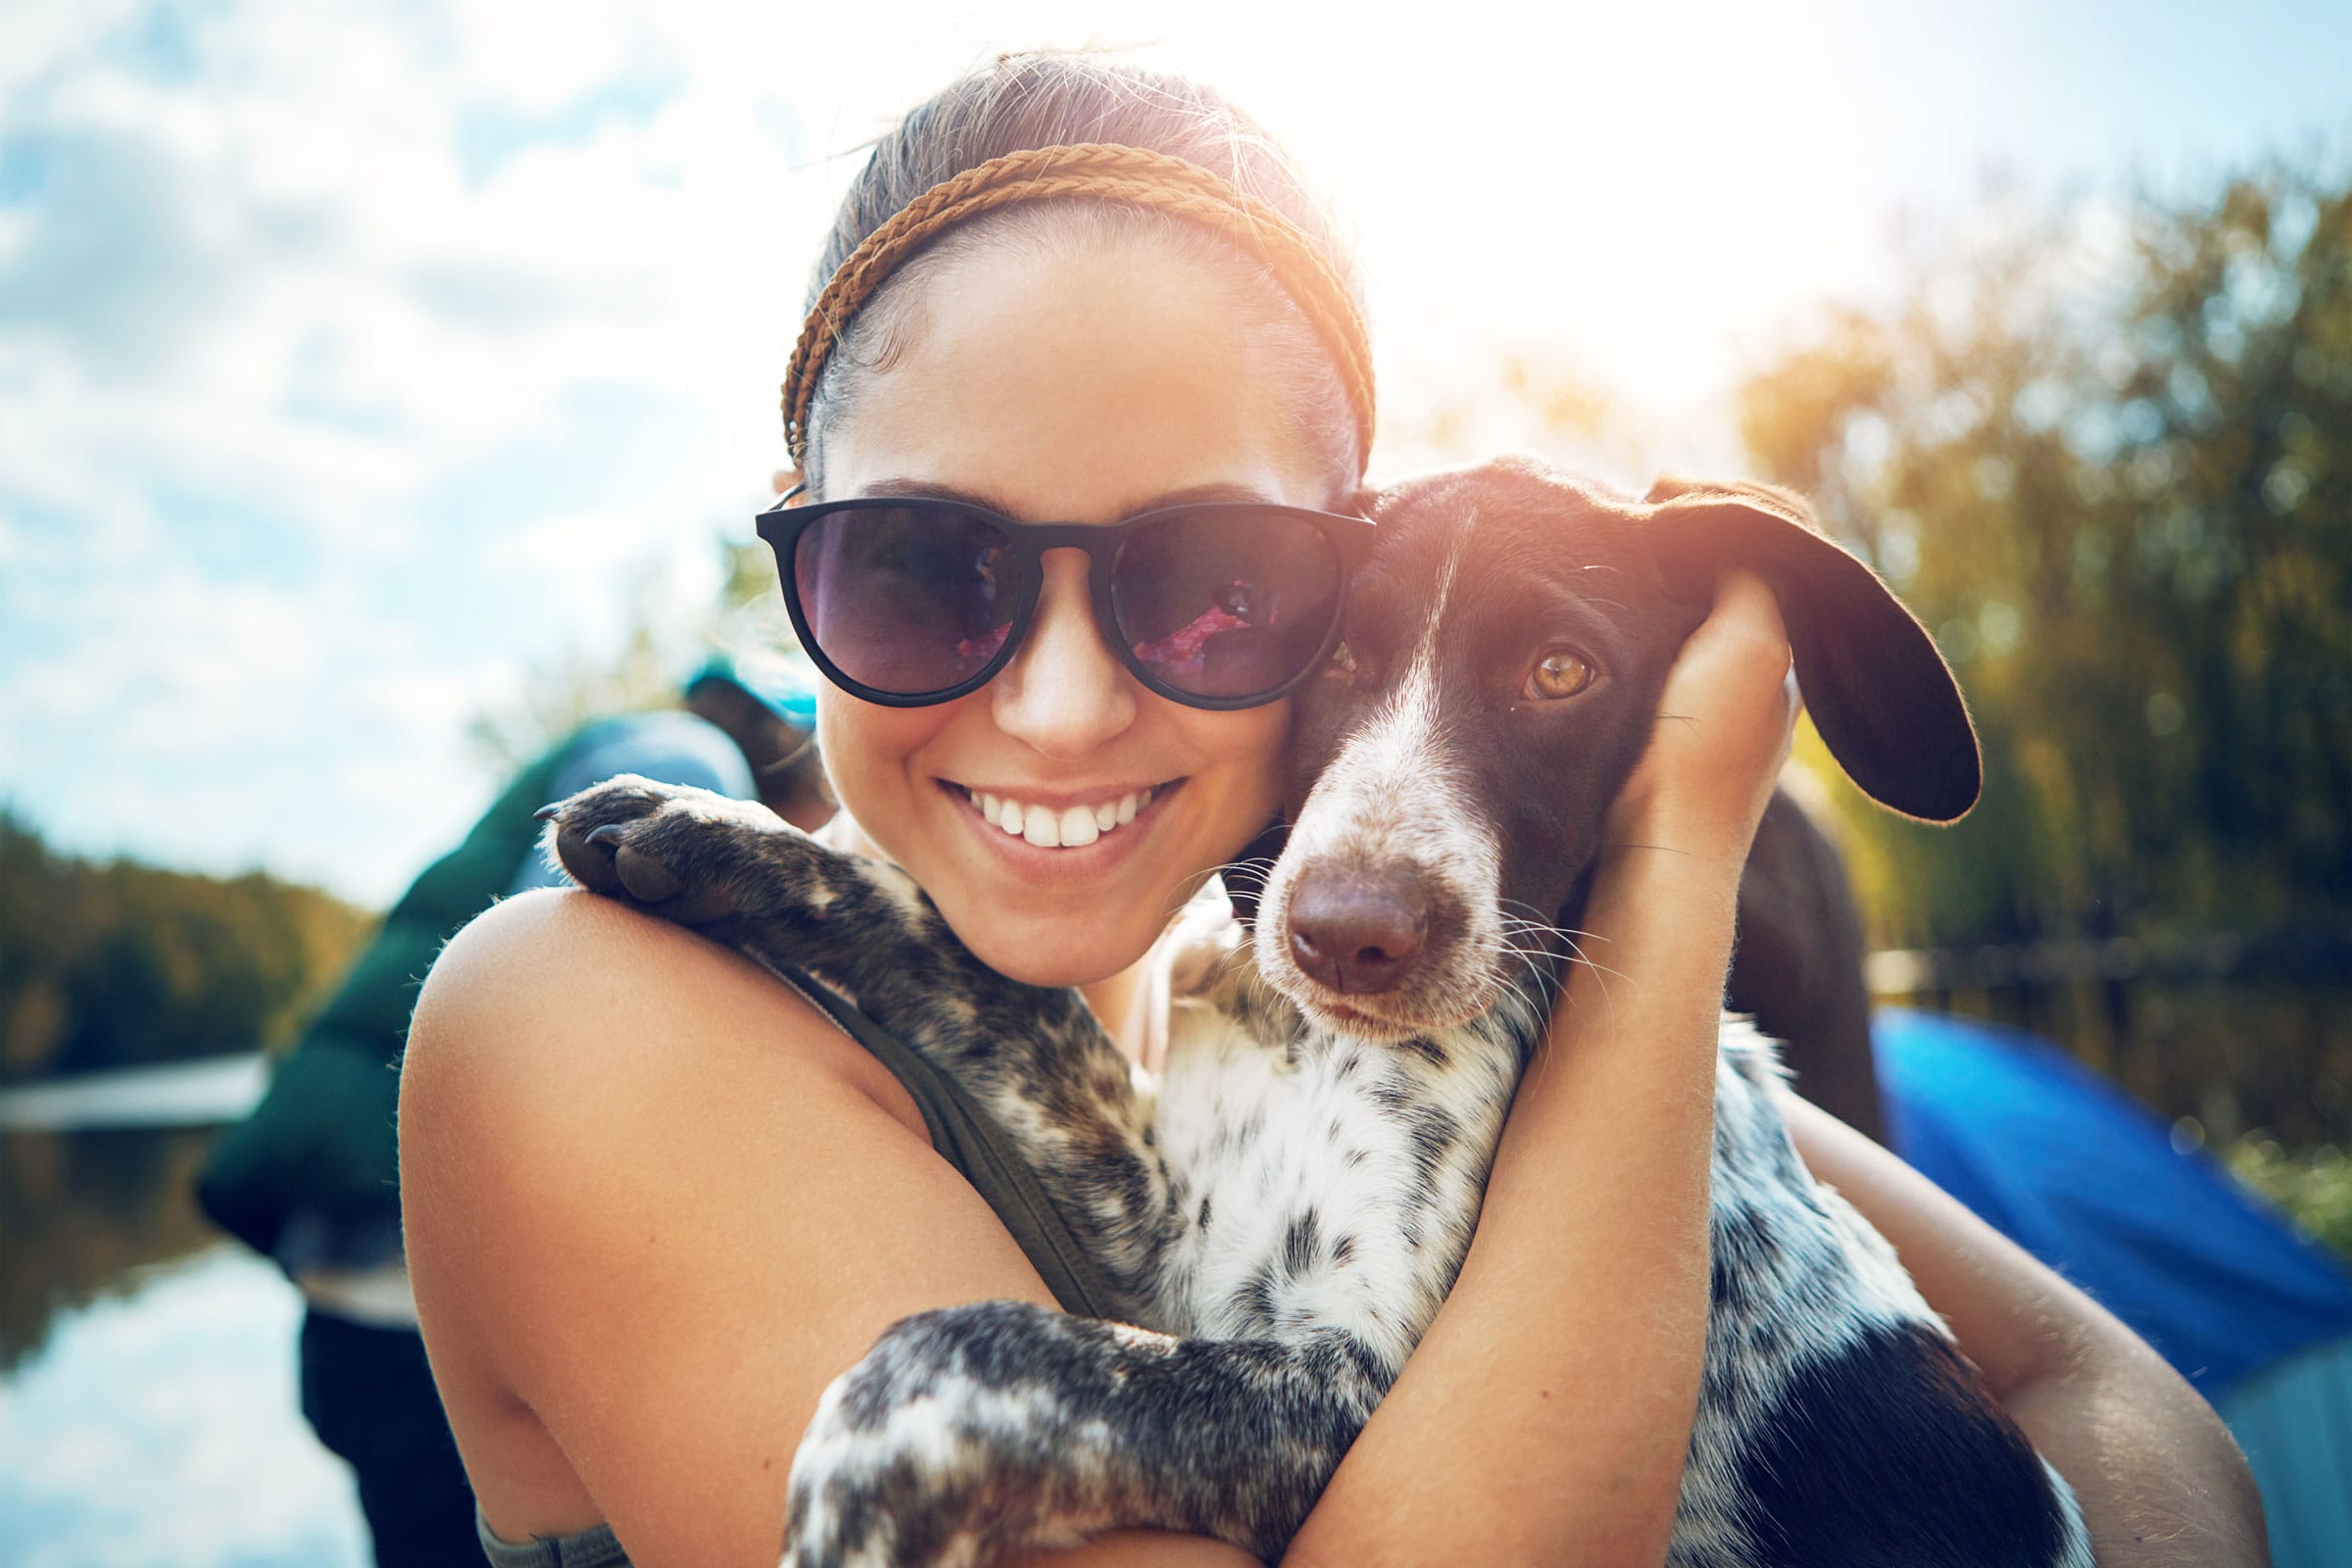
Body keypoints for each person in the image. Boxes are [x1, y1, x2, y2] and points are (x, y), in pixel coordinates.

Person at [398, 51, 2268, 1568]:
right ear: (794, 546)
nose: (1060, 705)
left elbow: (2135, 1415)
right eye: (918, 562)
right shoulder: (577, 1025)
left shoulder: (1430, 1022)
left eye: (1210, 581)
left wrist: (1683, 827)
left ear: (1339, 561)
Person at [196, 657, 825, 1566]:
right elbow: (550, 993)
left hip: (362, 1294)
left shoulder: (620, 743)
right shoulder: (687, 765)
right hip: (429, 1317)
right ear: (789, 758)